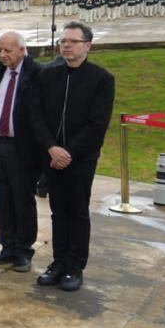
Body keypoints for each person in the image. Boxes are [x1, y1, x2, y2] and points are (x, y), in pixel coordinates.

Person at [31, 21, 114, 292]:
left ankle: (75, 266)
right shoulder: (48, 75)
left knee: (76, 211)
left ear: (87, 45)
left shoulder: (101, 79)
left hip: (80, 158)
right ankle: (58, 261)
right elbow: (37, 115)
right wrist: (51, 148)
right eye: (63, 41)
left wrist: (68, 152)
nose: (66, 45)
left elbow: (97, 123)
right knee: (58, 212)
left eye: (72, 41)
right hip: (51, 155)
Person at [0, 30, 43, 273]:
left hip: (22, 148)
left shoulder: (36, 74)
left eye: (7, 50)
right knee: (4, 199)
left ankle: (23, 250)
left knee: (22, 200)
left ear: (21, 50)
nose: (2, 55)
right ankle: (7, 247)